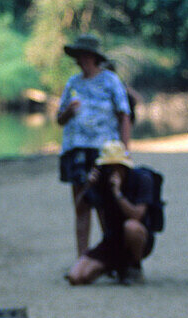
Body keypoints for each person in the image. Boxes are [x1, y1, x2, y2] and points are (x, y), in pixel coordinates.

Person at [55, 34, 132, 257]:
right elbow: (59, 119)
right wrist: (68, 111)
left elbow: (124, 115)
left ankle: (107, 257)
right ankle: (83, 258)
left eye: (81, 55)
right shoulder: (72, 83)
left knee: (104, 205)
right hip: (75, 150)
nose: (78, 60)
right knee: (81, 204)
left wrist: (125, 152)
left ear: (91, 56)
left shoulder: (110, 81)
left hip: (104, 153)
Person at [65, 141, 156, 286]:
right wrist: (88, 185)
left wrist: (118, 194)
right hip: (111, 242)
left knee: (131, 227)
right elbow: (79, 209)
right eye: (107, 167)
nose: (112, 171)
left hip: (137, 239)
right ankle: (114, 267)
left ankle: (134, 268)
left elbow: (137, 216)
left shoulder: (142, 179)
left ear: (124, 166)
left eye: (116, 166)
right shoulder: (101, 182)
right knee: (76, 277)